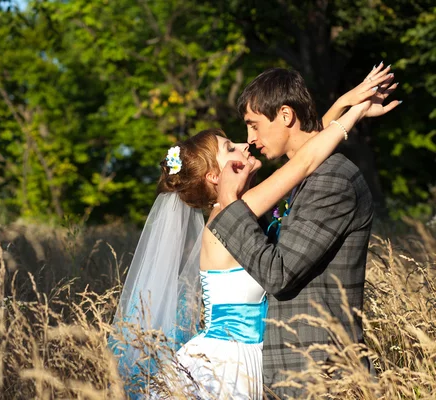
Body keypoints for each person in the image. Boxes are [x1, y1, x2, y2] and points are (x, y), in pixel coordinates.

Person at [111, 65, 398, 399]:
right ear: (215, 177)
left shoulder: (240, 208)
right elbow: (302, 164)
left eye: (248, 129)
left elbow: (303, 153)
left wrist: (346, 102)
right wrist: (354, 114)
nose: (244, 144)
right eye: (230, 148)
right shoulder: (232, 213)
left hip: (251, 362)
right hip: (225, 365)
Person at [207, 64, 400, 398]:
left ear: (285, 114)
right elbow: (305, 157)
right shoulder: (303, 176)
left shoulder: (332, 180)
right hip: (291, 371)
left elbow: (278, 274)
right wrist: (345, 106)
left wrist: (228, 200)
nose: (250, 140)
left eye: (253, 125)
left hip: (322, 371)